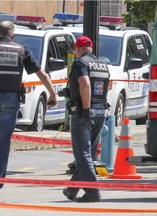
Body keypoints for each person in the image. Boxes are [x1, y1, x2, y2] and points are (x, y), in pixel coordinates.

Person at [0, 21, 57, 202]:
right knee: (3, 143)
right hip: (10, 100)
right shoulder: (21, 50)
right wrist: (52, 94)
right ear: (12, 35)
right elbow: (41, 74)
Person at [63, 36, 110, 202]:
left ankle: (92, 192)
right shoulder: (103, 64)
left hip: (84, 112)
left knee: (82, 154)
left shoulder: (80, 63)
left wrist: (85, 107)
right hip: (101, 111)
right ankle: (72, 189)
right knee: (87, 154)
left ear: (77, 49)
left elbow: (85, 84)